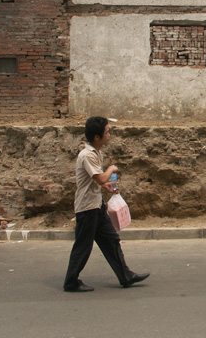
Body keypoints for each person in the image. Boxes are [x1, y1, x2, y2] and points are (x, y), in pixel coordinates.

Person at [63, 116, 150, 292]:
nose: (109, 135)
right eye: (107, 132)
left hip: (96, 206)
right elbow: (101, 176)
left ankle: (125, 276)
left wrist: (105, 186)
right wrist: (111, 169)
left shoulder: (96, 153)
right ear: (97, 137)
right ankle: (71, 281)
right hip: (87, 209)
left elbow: (95, 179)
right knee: (83, 246)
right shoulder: (87, 155)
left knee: (111, 240)